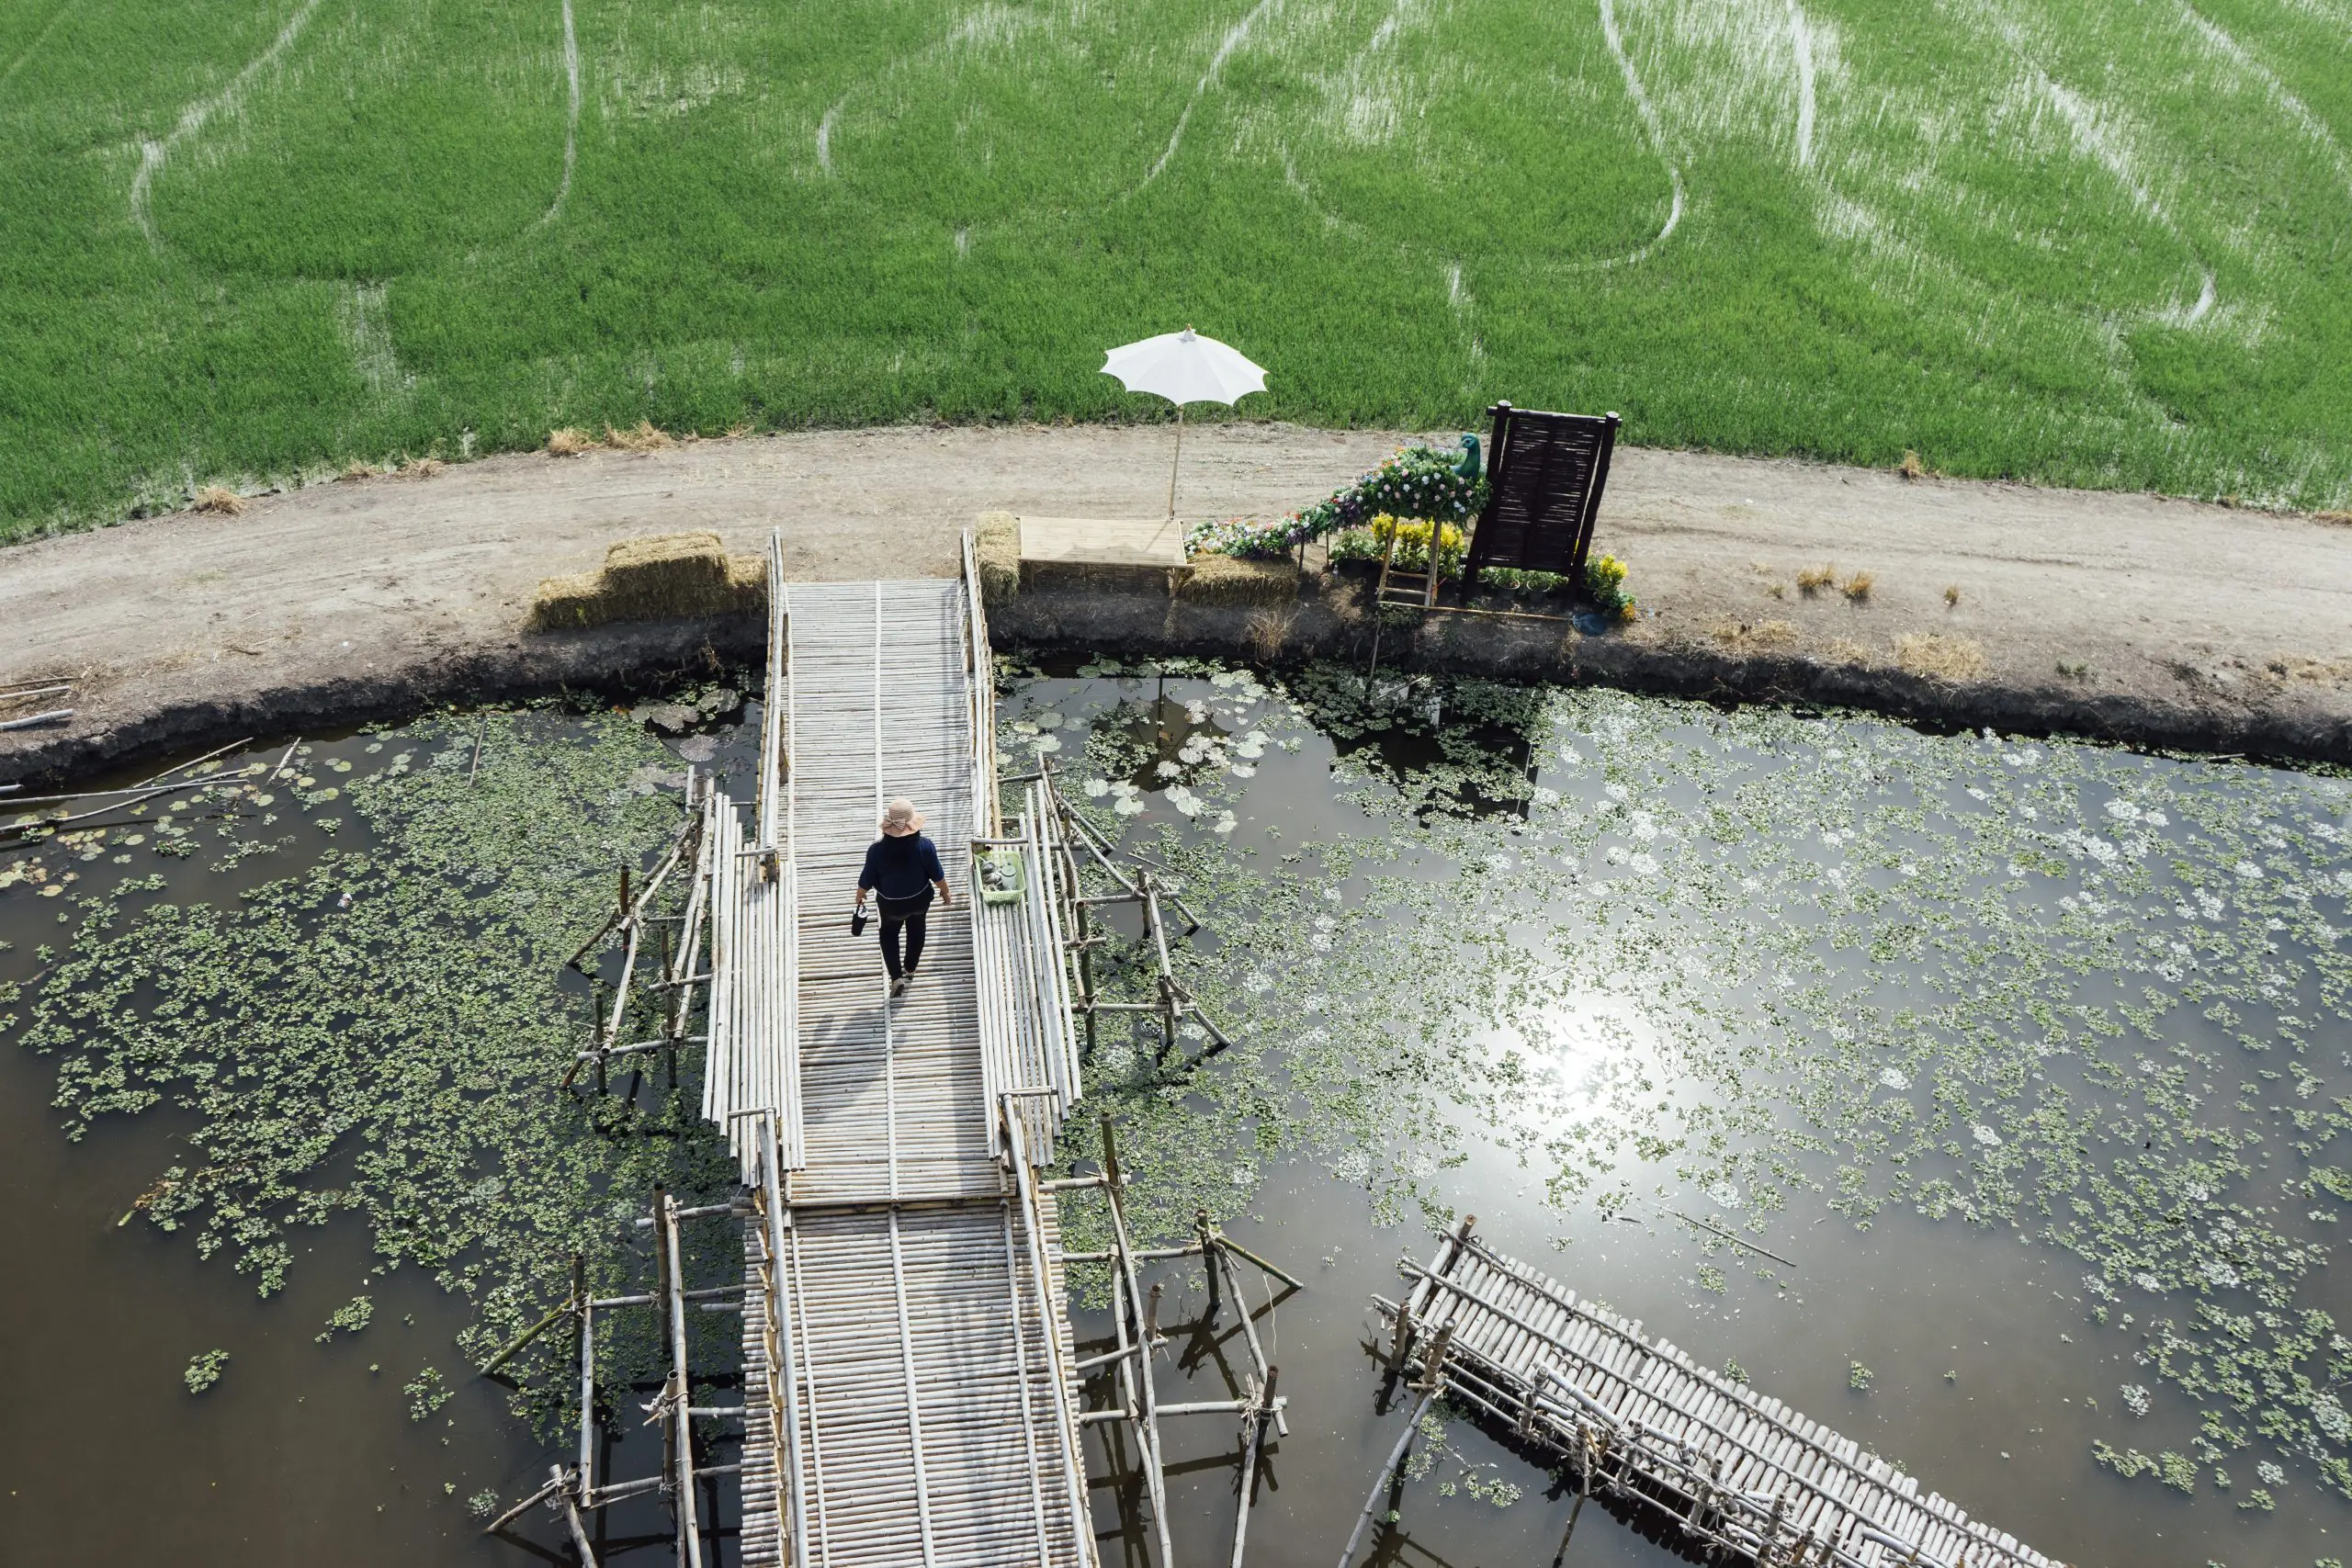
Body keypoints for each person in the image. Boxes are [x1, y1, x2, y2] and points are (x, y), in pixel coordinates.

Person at [855, 797, 952, 998]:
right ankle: (910, 968)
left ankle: (896, 977)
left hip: (891, 906)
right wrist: (946, 892)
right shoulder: (925, 847)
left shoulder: (876, 851)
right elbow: (937, 874)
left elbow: (866, 879)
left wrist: (859, 896)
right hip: (920, 900)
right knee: (917, 930)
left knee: (888, 934)